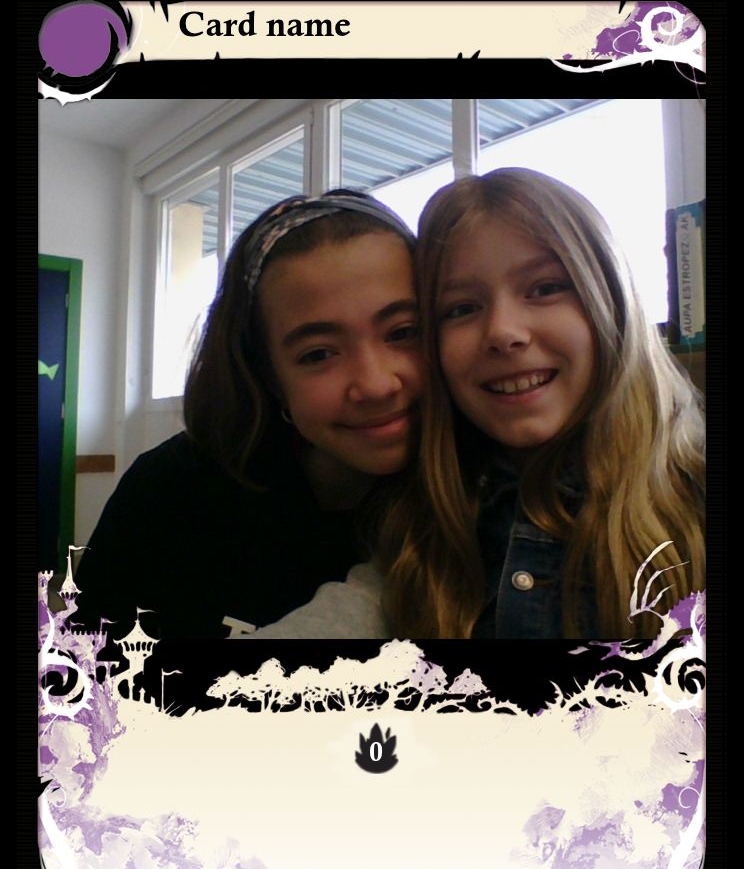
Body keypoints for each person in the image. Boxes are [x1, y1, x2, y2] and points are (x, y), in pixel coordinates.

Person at [251, 168, 705, 640]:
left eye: (545, 288)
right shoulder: (427, 529)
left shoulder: (693, 491)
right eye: (462, 309)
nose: (504, 332)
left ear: (610, 296)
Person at [72, 191, 421, 638]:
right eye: (318, 354)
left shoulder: (483, 500)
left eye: (403, 332)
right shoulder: (167, 492)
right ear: (267, 374)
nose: (375, 384)